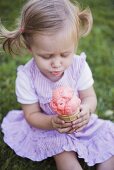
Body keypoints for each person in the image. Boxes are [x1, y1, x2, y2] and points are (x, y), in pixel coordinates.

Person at [0, 0, 114, 170]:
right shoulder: (26, 76)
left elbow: (89, 97)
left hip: (80, 123)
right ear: (31, 48)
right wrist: (52, 122)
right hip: (49, 127)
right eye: (47, 56)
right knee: (63, 153)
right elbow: (31, 115)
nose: (57, 63)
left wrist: (87, 110)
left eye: (65, 54)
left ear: (74, 45)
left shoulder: (78, 66)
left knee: (107, 145)